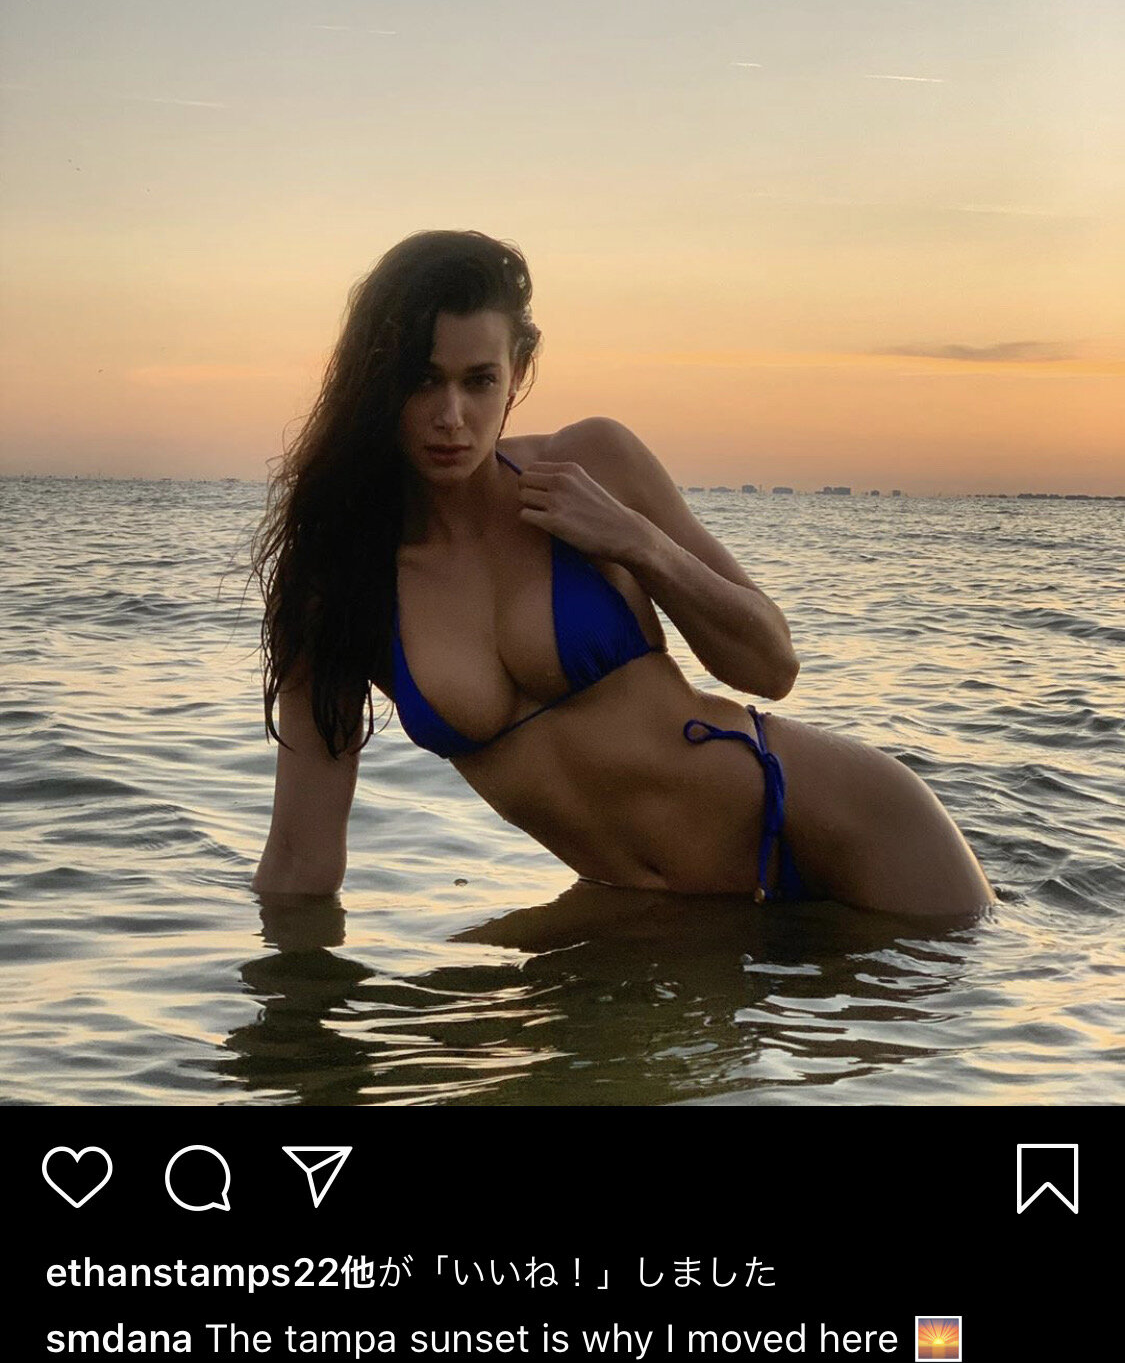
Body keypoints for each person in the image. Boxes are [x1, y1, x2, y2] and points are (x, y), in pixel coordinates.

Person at [251, 230, 993, 916]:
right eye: (421, 381)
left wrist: (640, 544)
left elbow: (772, 667)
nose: (451, 416)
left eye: (478, 381)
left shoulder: (593, 464)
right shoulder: (340, 585)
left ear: (517, 375)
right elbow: (299, 858)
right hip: (664, 916)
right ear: (374, 382)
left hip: (839, 825)